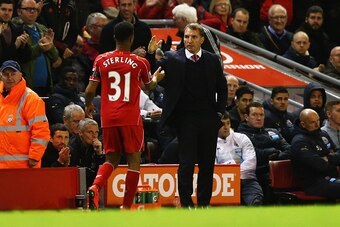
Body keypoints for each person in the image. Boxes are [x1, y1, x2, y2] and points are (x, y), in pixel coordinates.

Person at [84, 21, 164, 210]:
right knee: (133, 161)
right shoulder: (140, 62)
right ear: (132, 39)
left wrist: (88, 105)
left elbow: (89, 90)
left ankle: (96, 186)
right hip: (130, 118)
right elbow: (149, 85)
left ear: (114, 38)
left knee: (111, 159)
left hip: (109, 117)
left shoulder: (101, 59)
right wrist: (156, 79)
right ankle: (126, 207)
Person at [157, 23, 227, 207]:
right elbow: (155, 69)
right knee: (186, 163)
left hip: (208, 119)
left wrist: (219, 112)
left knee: (207, 165)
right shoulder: (173, 57)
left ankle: (203, 204)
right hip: (185, 119)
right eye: (187, 37)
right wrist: (151, 54)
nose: (189, 40)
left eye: (194, 37)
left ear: (202, 40)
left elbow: (222, 87)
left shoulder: (212, 60)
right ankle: (187, 204)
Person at [237, 102, 291, 203]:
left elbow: (290, 149)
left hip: (278, 171)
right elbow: (255, 155)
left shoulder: (273, 132)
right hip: (257, 173)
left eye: (261, 115)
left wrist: (276, 156)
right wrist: (273, 151)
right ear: (246, 117)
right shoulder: (240, 136)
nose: (259, 118)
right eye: (254, 115)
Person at [0, 60, 50, 168]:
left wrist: (34, 157)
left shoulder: (31, 99)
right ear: (1, 76)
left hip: (23, 167)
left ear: (20, 75)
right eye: (6, 74)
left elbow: (41, 131)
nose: (9, 77)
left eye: (13, 74)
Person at [291, 108, 340, 199]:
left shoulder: (323, 134)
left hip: (330, 176)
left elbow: (337, 153)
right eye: (312, 122)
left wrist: (328, 158)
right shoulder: (299, 141)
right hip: (312, 183)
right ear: (303, 124)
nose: (317, 124)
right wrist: (331, 160)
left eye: (318, 120)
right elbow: (319, 164)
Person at [216, 113, 263, 205]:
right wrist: (232, 168)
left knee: (256, 200)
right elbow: (213, 168)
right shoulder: (209, 142)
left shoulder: (242, 138)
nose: (226, 127)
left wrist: (231, 171)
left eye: (228, 123)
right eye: (222, 124)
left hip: (247, 179)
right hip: (223, 183)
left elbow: (251, 163)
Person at [16, 0, 60, 96]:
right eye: (28, 9)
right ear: (19, 11)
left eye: (35, 9)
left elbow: (55, 57)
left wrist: (50, 47)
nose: (32, 12)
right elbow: (24, 56)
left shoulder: (43, 28)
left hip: (46, 85)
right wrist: (40, 47)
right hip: (26, 86)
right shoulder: (16, 28)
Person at [69, 118, 105, 188]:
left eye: (96, 132)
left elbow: (101, 172)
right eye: (90, 132)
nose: (94, 136)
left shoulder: (97, 146)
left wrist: (99, 154)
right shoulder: (72, 147)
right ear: (80, 132)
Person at [82, 12, 108, 88]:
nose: (105, 29)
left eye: (106, 26)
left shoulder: (109, 44)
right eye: (102, 26)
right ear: (91, 28)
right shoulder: (82, 46)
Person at [0, 0, 31, 64]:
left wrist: (23, 45)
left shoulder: (17, 30)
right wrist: (15, 46)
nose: (7, 13)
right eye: (3, 9)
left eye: (10, 10)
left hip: (13, 72)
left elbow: (25, 59)